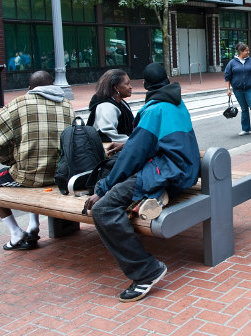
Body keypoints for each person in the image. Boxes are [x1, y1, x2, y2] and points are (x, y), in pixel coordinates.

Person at [84, 63, 201, 302]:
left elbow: (132, 157)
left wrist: (103, 188)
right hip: (182, 171)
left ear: (145, 86)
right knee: (122, 186)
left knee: (103, 209)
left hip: (167, 172)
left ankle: (147, 271)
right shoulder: (176, 102)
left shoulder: (153, 110)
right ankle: (154, 195)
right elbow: (153, 142)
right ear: (167, 81)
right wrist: (130, 144)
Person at [0, 71, 74, 250]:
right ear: (53, 85)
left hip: (29, 176)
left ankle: (16, 232)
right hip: (61, 175)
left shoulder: (20, 103)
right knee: (38, 170)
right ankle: (33, 224)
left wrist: (10, 160)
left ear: (30, 88)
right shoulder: (67, 105)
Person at [87, 69, 134, 154]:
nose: (130, 87)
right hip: (110, 157)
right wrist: (135, 141)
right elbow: (107, 135)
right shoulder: (106, 106)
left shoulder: (121, 103)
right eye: (127, 84)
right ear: (116, 87)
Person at [225, 43, 251, 135]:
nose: (248, 52)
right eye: (246, 51)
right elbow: (227, 77)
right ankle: (245, 129)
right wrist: (228, 89)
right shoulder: (232, 63)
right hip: (238, 90)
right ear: (240, 51)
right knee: (244, 109)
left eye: (248, 50)